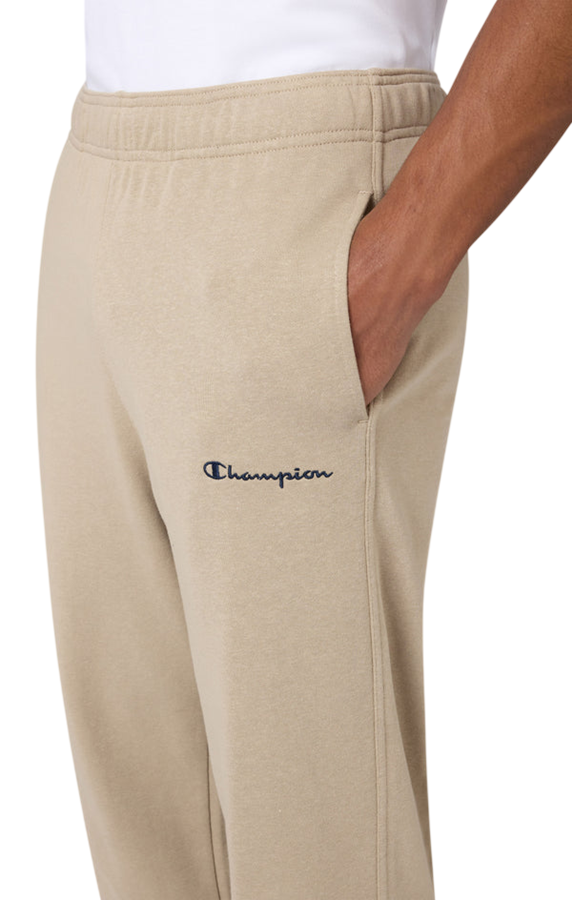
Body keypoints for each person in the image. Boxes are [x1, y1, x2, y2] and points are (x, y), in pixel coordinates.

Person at [35, 1, 571, 898]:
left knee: (320, 853)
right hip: (97, 166)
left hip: (304, 185)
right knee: (145, 853)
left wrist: (406, 251)